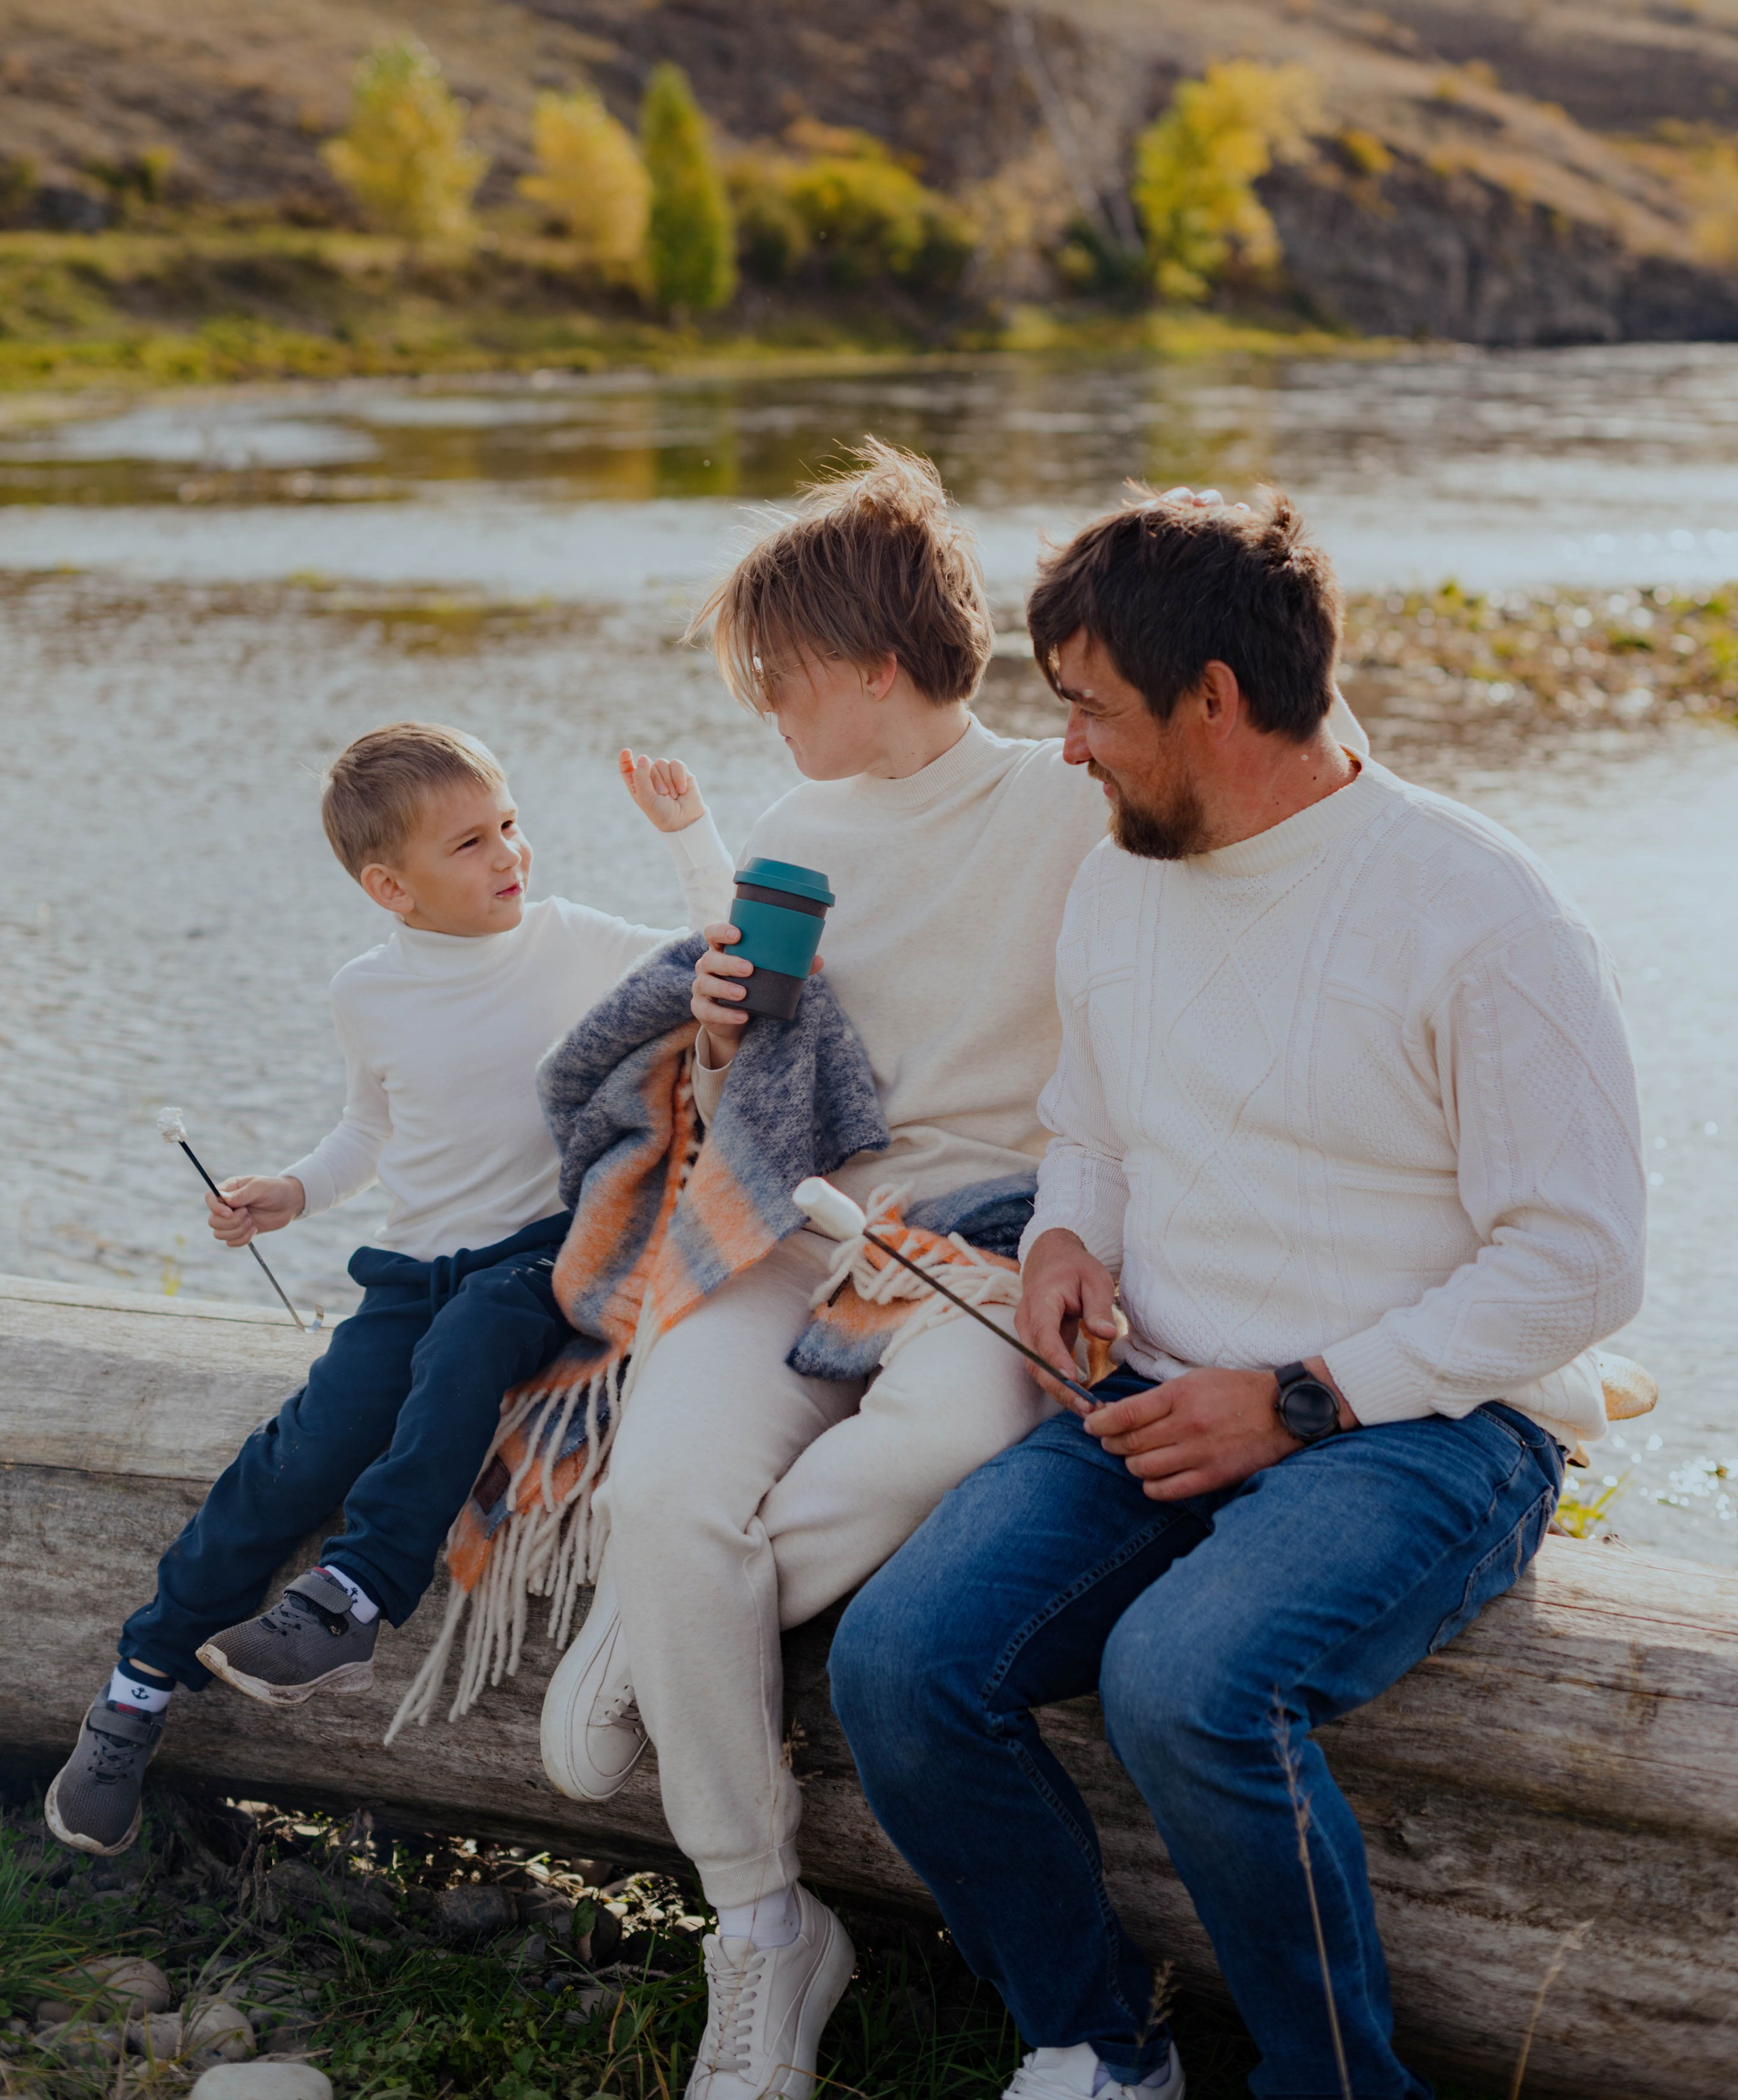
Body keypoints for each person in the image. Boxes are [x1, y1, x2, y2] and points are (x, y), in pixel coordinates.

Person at [539, 445, 1373, 2100]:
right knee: (663, 1483)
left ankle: (670, 1618)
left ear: (868, 666)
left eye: (775, 677)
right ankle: (764, 1923)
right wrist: (722, 1016)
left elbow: (1318, 779)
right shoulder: (789, 822)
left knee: (937, 1445)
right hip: (804, 1223)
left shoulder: (1074, 788)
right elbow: (777, 1062)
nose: (759, 707)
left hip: (991, 1237)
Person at [828, 487, 1647, 2100]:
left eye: (1088, 709)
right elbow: (1093, 1125)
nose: (1063, 748)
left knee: (1185, 1679)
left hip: (1424, 1430)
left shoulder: (1479, 912)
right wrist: (1066, 1245)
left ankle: (1330, 2082)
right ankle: (1097, 2048)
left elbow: (1581, 1263)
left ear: (1213, 696)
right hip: (1159, 1394)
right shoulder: (1122, 877)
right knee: (899, 1661)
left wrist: (1295, 1399)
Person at [46, 722, 734, 1859]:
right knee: (295, 1458)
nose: (509, 853)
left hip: (547, 1253)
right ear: (390, 887)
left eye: (508, 824)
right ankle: (137, 1686)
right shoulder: (367, 993)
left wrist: (687, 832)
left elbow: (725, 953)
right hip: (408, 1274)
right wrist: (295, 1194)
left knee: (474, 1338)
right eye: (470, 843)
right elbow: (373, 1124)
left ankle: (356, 1598)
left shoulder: (575, 942)